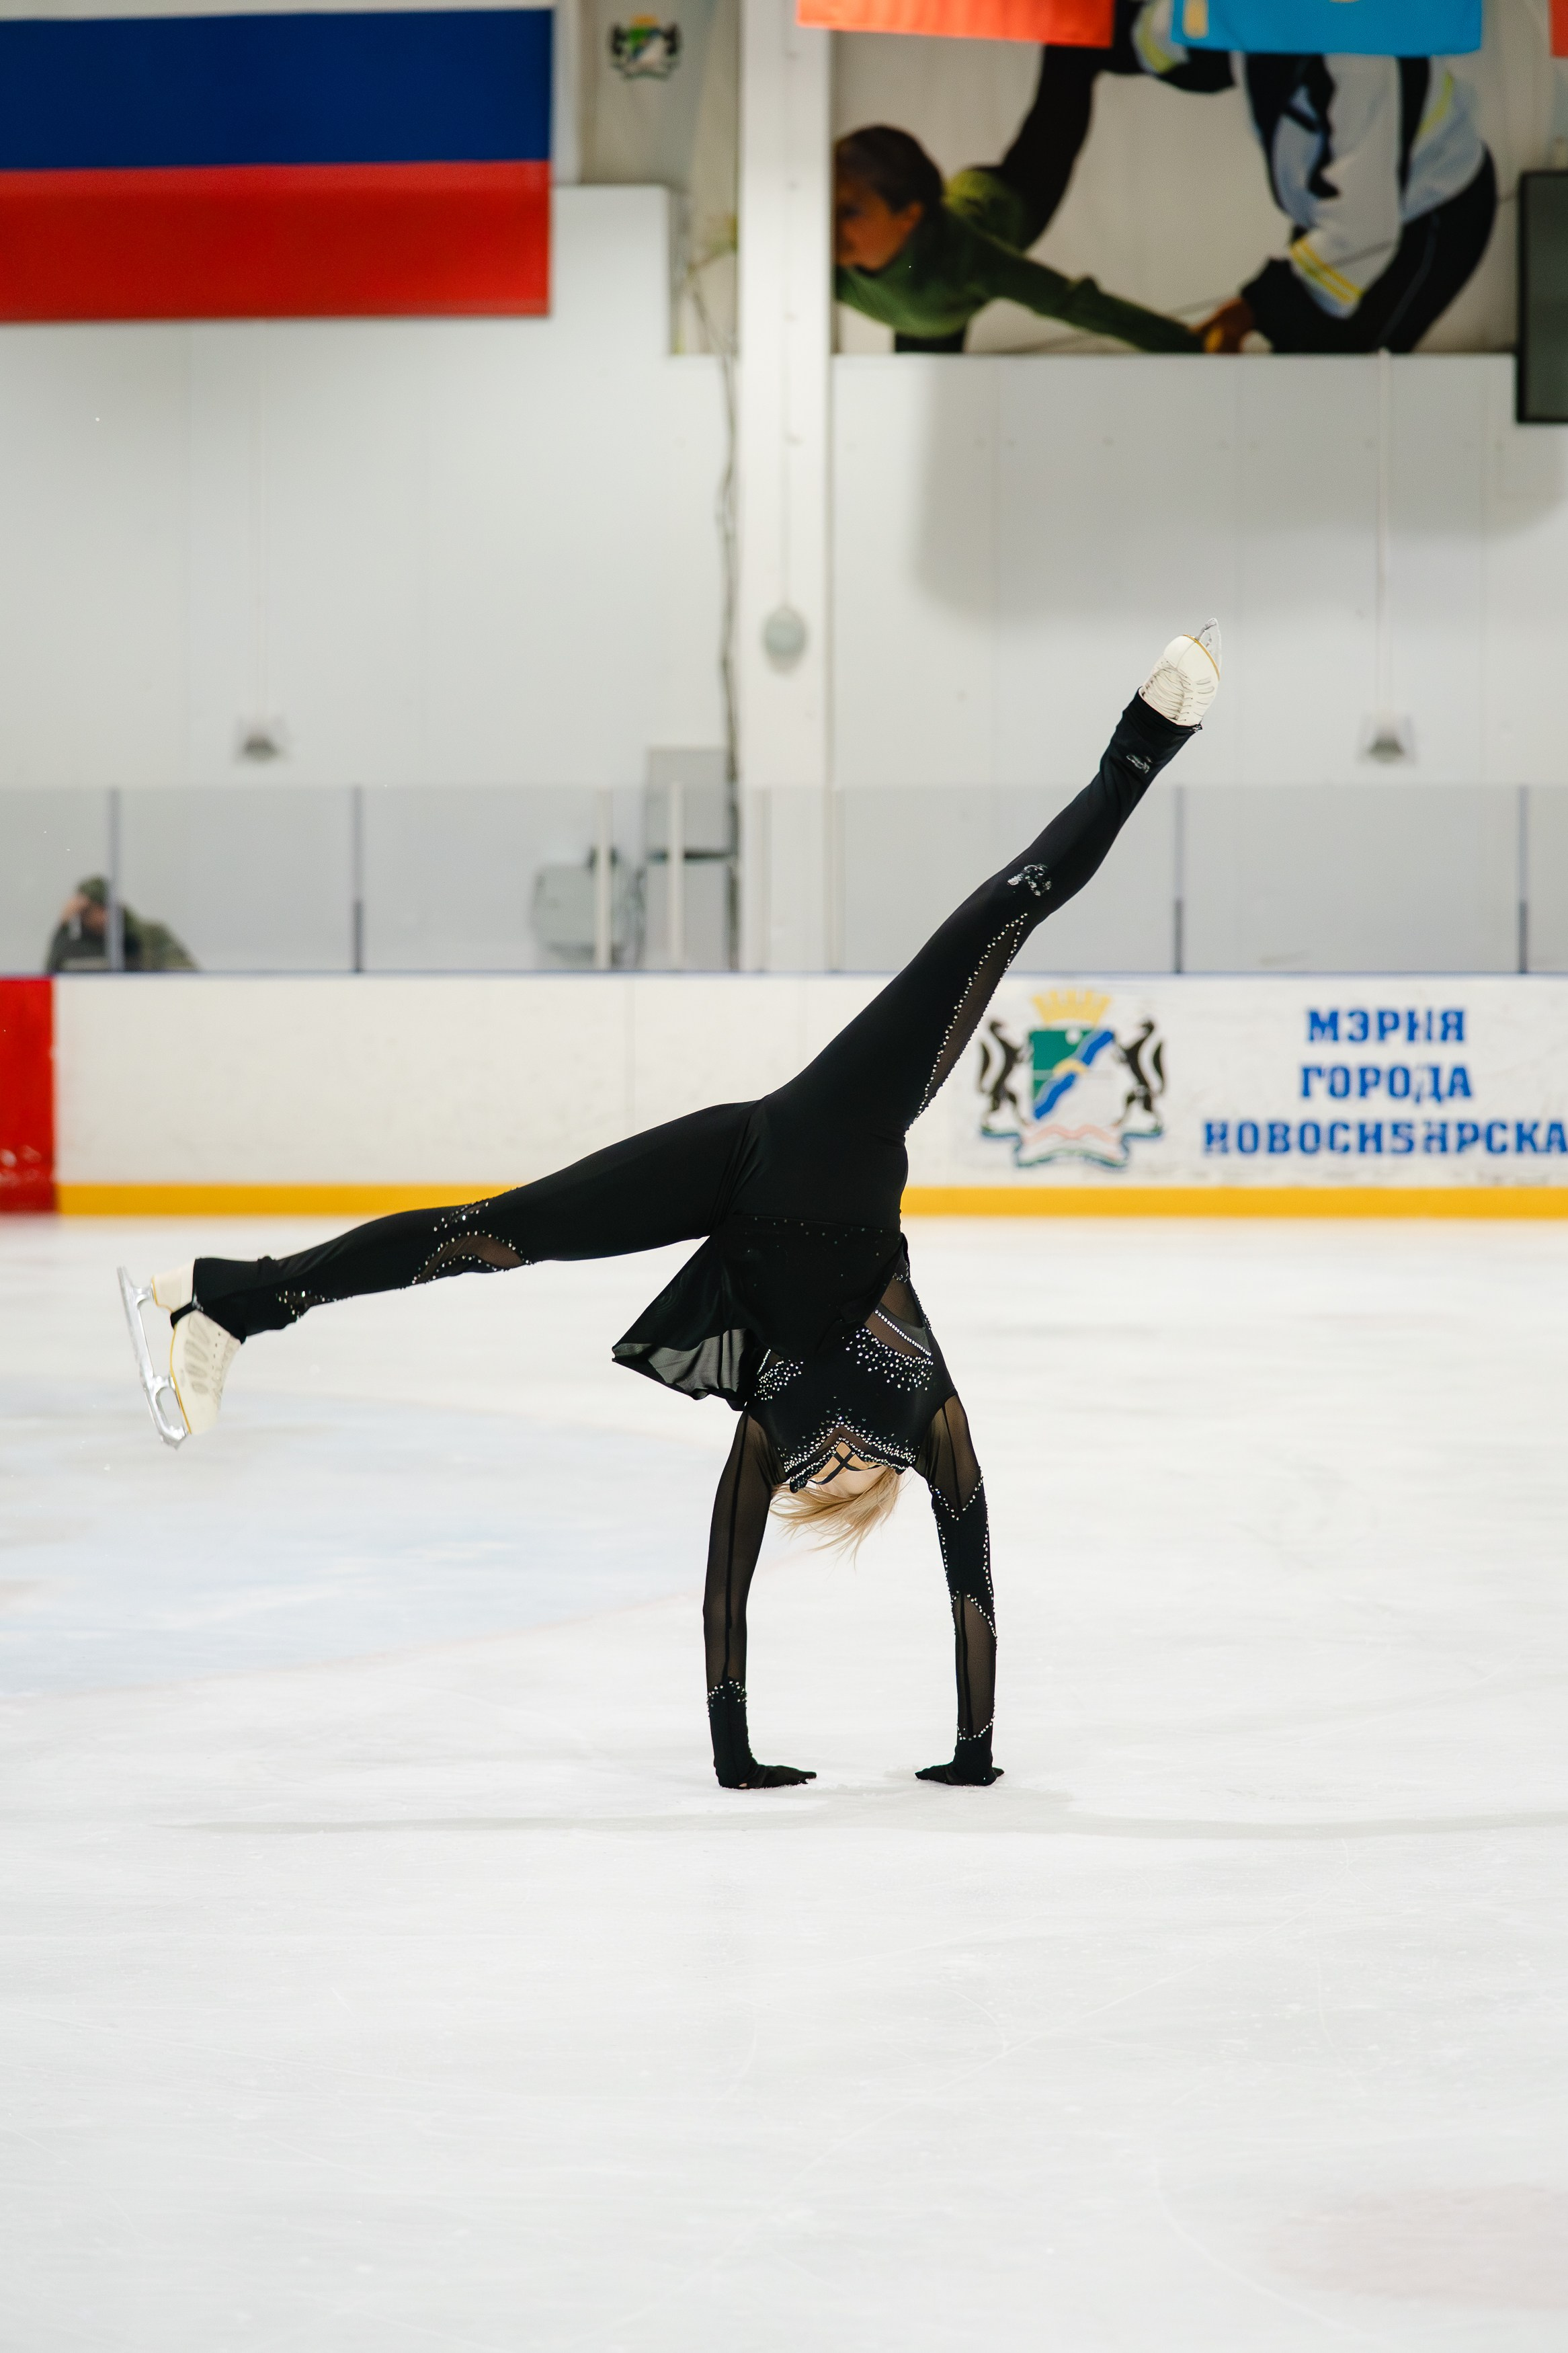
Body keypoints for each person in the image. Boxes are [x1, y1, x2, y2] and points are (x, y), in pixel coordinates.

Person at [124, 623, 1221, 1790]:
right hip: (829, 1136)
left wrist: (754, 1755)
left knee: (489, 1237)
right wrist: (970, 1752)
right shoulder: (912, 1410)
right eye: (855, 1482)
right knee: (1001, 918)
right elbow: (966, 1588)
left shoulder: (788, 1425)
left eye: (832, 1487)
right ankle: (1145, 742)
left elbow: (743, 1593)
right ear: (876, 1485)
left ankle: (223, 1302)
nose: (840, 1472)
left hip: (750, 1166)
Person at [990, 0, 1495, 354]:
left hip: (1427, 212)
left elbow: (1364, 228)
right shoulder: (1229, 7)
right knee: (1301, 365)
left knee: (1337, 381)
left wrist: (1247, 312)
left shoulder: (1363, 51)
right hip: (1335, 201)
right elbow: (1153, 38)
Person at [834, 124, 1201, 356]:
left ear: (907, 218)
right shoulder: (821, 252)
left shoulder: (969, 263)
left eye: (850, 213)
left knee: (1063, 97)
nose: (829, 228)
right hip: (926, 290)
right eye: (826, 204)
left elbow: (1069, 301)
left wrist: (1190, 345)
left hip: (1008, 200)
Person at [46, 877, 196, 974]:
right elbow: (51, 979)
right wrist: (63, 926)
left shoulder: (151, 936)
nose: (101, 917)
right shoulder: (73, 948)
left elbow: (186, 974)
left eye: (107, 908)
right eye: (92, 910)